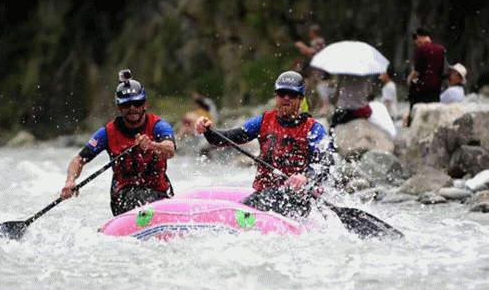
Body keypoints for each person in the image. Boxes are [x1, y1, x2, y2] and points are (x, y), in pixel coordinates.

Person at [194, 71, 333, 218]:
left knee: (259, 202)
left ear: (300, 99)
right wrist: (208, 130)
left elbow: (326, 162)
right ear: (275, 96)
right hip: (265, 194)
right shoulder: (263, 121)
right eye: (282, 93)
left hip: (296, 199)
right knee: (266, 196)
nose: (286, 98)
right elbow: (227, 138)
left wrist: (306, 177)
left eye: (292, 94)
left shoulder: (314, 129)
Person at [61, 70, 176, 216]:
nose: (132, 108)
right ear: (119, 107)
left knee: (152, 197)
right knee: (139, 196)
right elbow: (79, 159)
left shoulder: (159, 126)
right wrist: (70, 181)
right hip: (124, 195)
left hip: (160, 191)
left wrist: (152, 145)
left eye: (137, 103)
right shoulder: (107, 133)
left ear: (145, 104)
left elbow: (170, 150)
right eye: (126, 104)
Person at [405, 27, 447, 126]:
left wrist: (409, 79)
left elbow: (417, 71)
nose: (416, 43)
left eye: (415, 40)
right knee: (433, 118)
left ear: (419, 37)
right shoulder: (441, 49)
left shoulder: (422, 49)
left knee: (417, 118)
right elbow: (443, 69)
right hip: (436, 89)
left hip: (421, 90)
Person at [293, 24, 330, 114]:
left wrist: (302, 46)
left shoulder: (319, 41)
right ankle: (312, 106)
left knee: (319, 85)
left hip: (319, 68)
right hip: (313, 68)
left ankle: (324, 105)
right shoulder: (315, 41)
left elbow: (315, 52)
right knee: (310, 87)